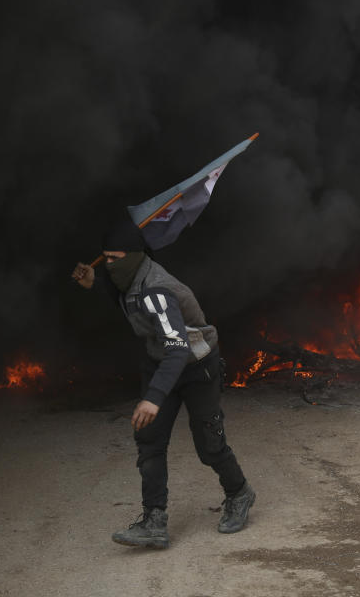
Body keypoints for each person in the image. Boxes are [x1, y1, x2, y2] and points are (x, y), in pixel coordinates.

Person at [71, 221, 254, 549]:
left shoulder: (156, 288)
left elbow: (178, 347)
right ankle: (154, 520)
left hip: (198, 367)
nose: (108, 264)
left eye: (114, 258)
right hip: (162, 363)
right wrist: (94, 282)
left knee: (209, 445)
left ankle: (239, 493)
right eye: (105, 258)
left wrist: (154, 398)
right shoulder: (128, 279)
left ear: (134, 257)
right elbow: (127, 302)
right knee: (150, 440)